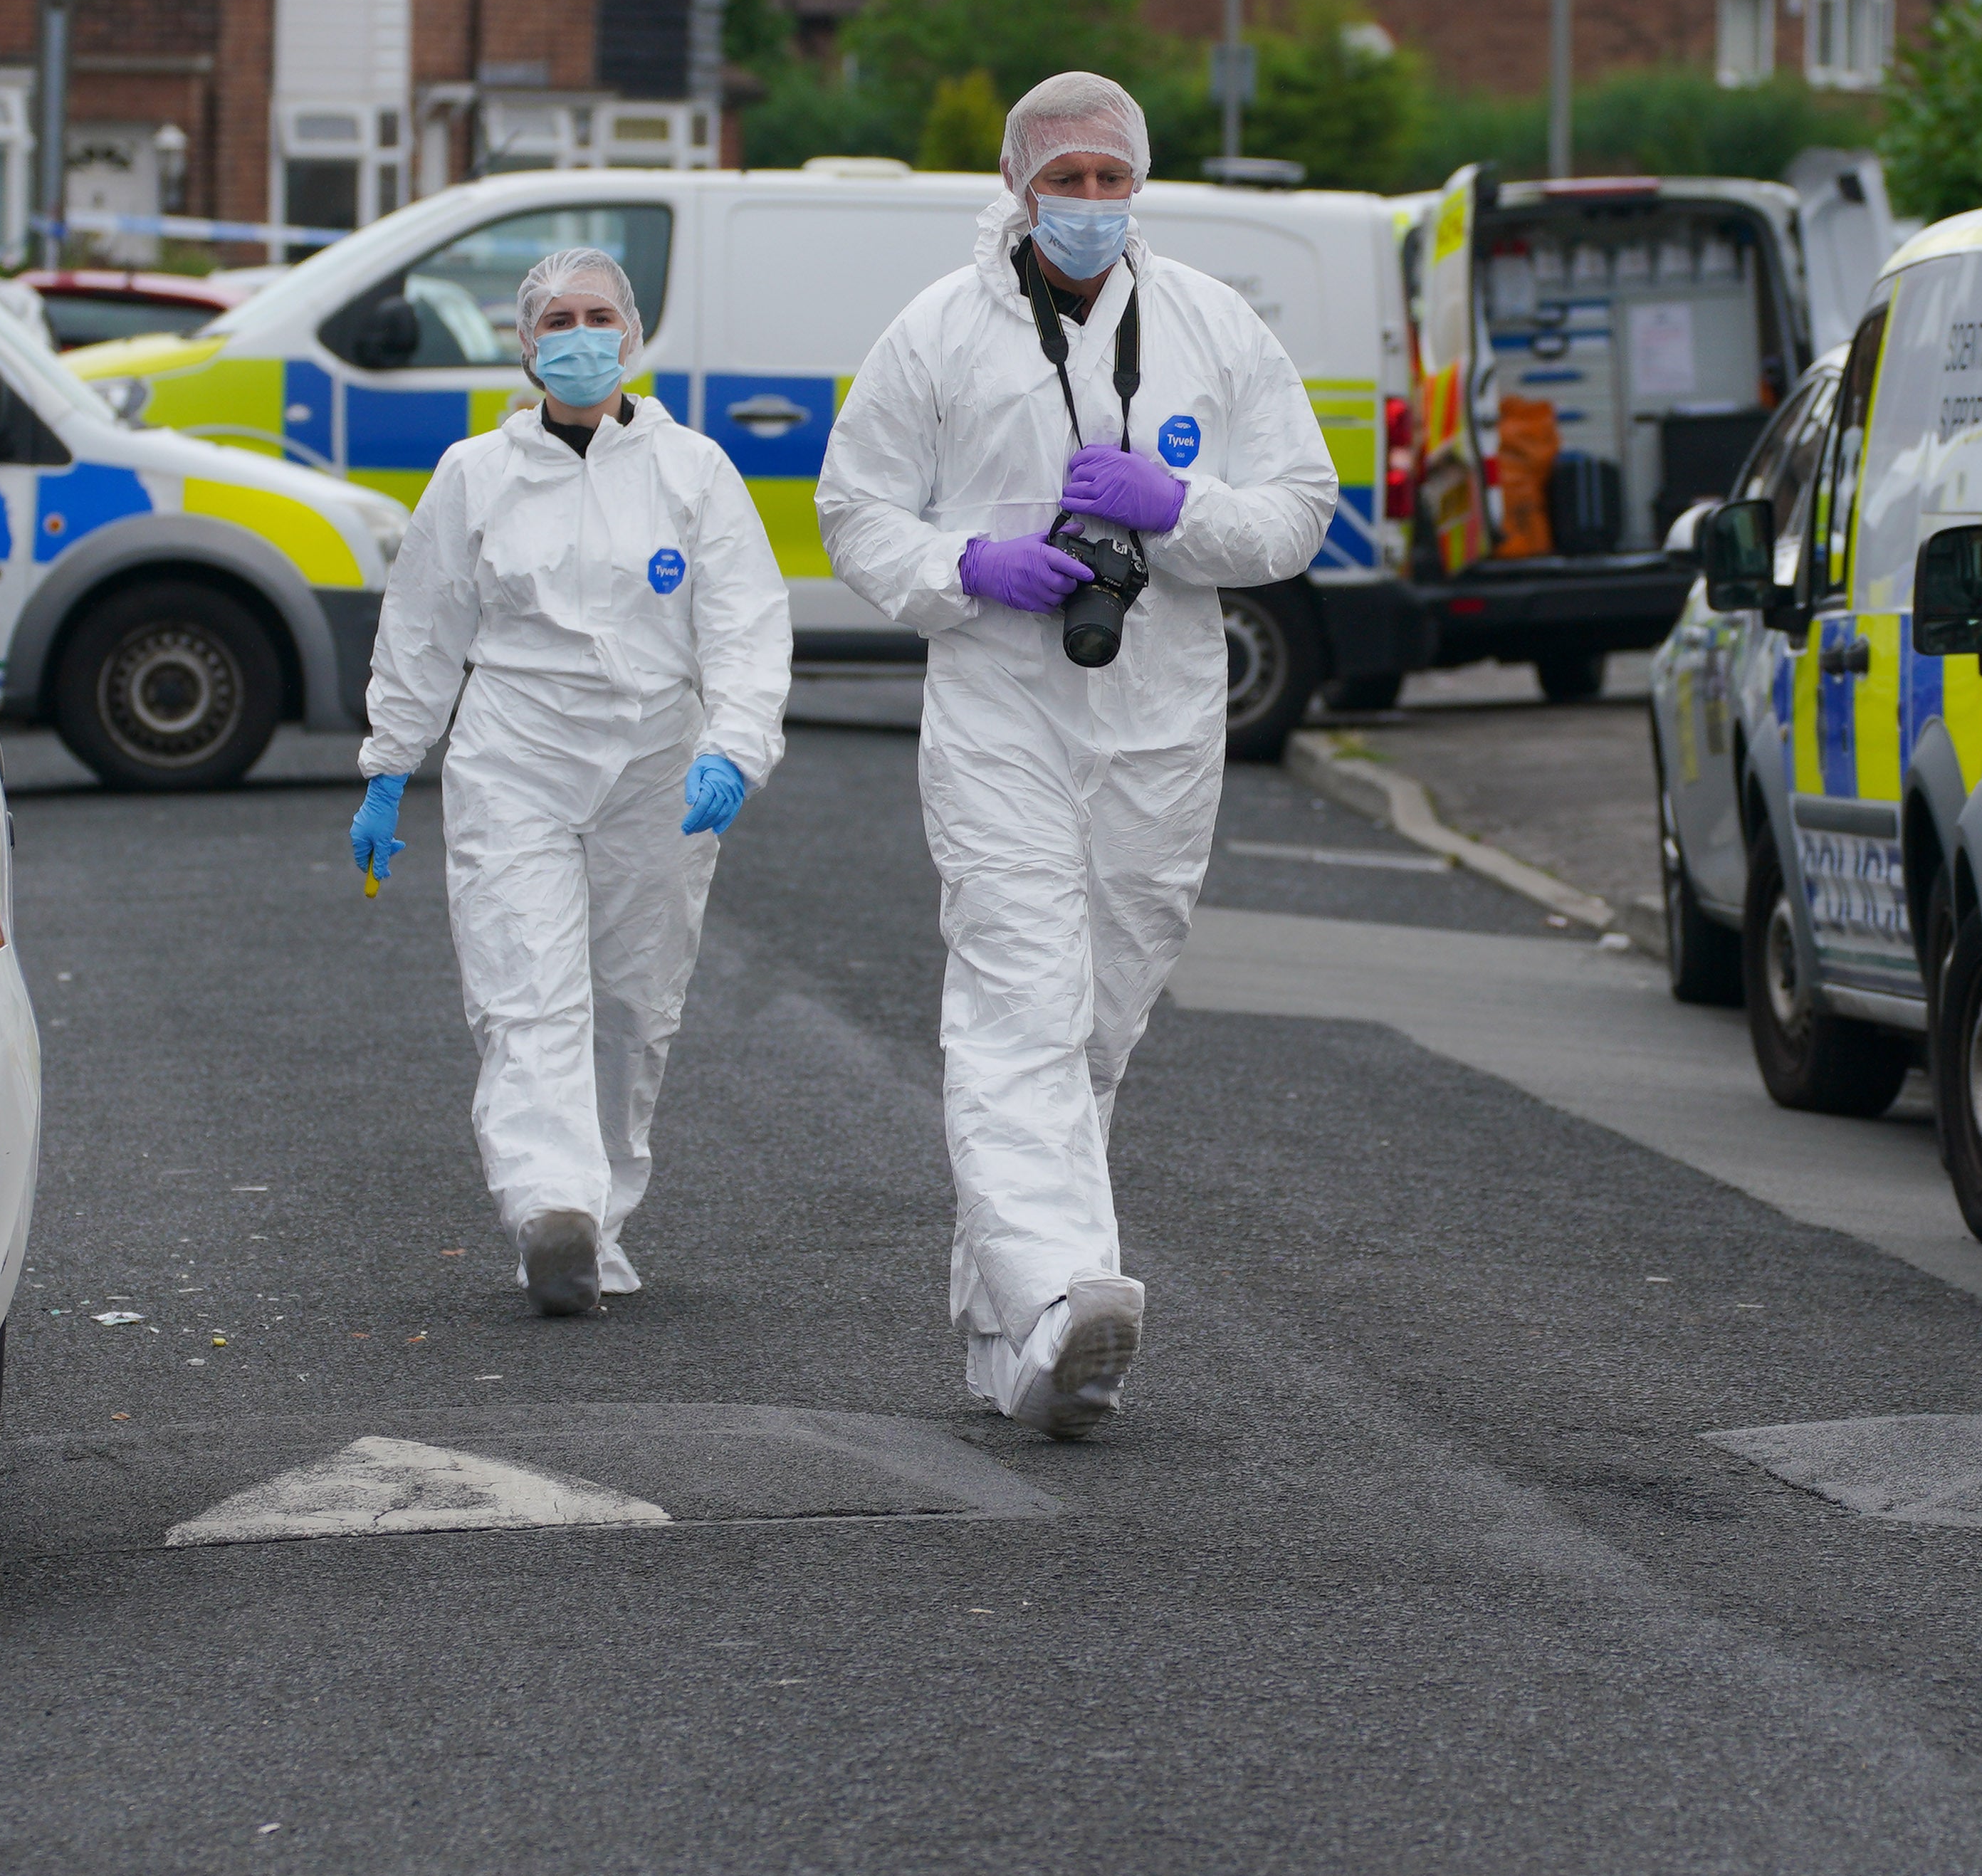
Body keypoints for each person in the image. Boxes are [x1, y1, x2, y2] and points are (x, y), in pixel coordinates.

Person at [816, 73, 1337, 1435]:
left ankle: (1014, 1342)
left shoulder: (1216, 330)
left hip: (1163, 719)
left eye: (1112, 178)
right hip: (1001, 708)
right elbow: (852, 510)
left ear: (1140, 185)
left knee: (1098, 1027)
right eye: (1068, 179)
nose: (1091, 202)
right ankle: (1064, 1291)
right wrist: (967, 565)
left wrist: (1181, 510)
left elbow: (1297, 513)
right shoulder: (936, 333)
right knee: (1018, 1002)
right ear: (1016, 184)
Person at [350, 244, 790, 1316]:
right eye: (560, 321)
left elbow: (744, 624)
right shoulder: (476, 475)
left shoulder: (694, 474)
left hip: (658, 764)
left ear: (632, 337)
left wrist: (735, 747)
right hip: (517, 756)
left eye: (601, 316)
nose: (583, 337)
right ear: (528, 343)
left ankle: (600, 1219)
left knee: (635, 1003)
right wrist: (388, 766)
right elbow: (422, 626)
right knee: (524, 985)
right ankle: (551, 1204)